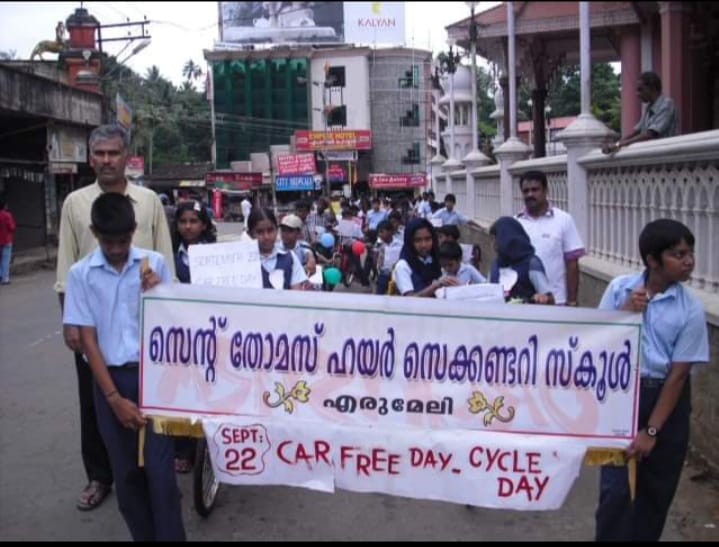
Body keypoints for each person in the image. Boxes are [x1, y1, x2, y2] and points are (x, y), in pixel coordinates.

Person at [54, 124, 175, 512]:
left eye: (114, 153)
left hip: (145, 327)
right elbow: (67, 263)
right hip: (94, 324)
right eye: (100, 154)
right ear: (91, 159)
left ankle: (157, 471)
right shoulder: (75, 203)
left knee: (154, 401)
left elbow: (165, 261)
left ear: (127, 157)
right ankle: (99, 476)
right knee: (96, 404)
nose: (107, 160)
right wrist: (69, 321)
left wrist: (165, 295)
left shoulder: (148, 201)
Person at [63, 193, 185, 541]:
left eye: (122, 241)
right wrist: (114, 399)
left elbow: (175, 326)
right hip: (110, 381)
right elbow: (88, 342)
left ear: (133, 231)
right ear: (94, 233)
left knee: (161, 475)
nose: (116, 249)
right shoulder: (81, 274)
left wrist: (160, 295)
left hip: (155, 378)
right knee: (127, 475)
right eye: (108, 242)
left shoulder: (154, 264)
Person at [595, 218, 709, 542]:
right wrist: (624, 312)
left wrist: (652, 431)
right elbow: (597, 342)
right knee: (615, 493)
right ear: (653, 260)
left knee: (654, 496)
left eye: (690, 253)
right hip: (622, 396)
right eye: (678, 254)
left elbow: (678, 375)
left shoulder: (691, 309)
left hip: (665, 401)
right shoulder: (620, 288)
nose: (689, 261)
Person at [171, 200, 217, 474]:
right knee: (181, 391)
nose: (188, 226)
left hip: (212, 333)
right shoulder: (167, 255)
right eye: (183, 221)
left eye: (194, 221)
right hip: (179, 335)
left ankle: (214, 445)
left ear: (203, 225)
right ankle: (183, 449)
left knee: (211, 388)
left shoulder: (219, 255)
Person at [515, 170, 585, 306]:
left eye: (535, 190)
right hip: (524, 303)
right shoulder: (516, 223)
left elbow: (572, 263)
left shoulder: (563, 220)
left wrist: (572, 301)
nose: (530, 194)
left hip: (557, 302)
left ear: (546, 191)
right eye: (526, 191)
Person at [602, 71, 678, 155]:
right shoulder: (649, 107)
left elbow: (651, 134)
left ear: (652, 88)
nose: (637, 94)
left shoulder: (666, 104)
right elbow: (636, 131)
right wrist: (617, 143)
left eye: (640, 89)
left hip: (664, 154)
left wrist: (620, 144)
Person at [489, 216, 554, 304]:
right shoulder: (496, 265)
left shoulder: (531, 264)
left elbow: (549, 299)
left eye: (495, 239)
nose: (493, 244)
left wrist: (542, 298)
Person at [247, 207, 308, 290]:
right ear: (250, 234)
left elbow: (296, 293)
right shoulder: (243, 262)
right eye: (260, 232)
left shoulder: (290, 259)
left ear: (276, 229)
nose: (266, 237)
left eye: (270, 230)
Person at [392, 218, 447, 297]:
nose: (424, 245)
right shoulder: (403, 266)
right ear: (410, 242)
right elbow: (409, 299)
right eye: (418, 240)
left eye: (428, 239)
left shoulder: (437, 259)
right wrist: (435, 286)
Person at [278, 213, 316, 279]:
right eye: (283, 230)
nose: (285, 234)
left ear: (298, 232)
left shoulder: (303, 245)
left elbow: (309, 254)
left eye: (290, 231)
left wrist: (311, 259)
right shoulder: (275, 248)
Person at [374, 220, 402, 295]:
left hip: (397, 274)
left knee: (397, 293)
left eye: (382, 232)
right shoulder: (379, 243)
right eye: (378, 232)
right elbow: (375, 255)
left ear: (390, 231)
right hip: (384, 273)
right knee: (379, 293)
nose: (379, 234)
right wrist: (377, 267)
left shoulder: (399, 244)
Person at [0, 198, 16, 285]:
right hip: (6, 240)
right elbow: (11, 227)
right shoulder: (7, 215)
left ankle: (0, 275)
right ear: (4, 206)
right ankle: (5, 278)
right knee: (6, 259)